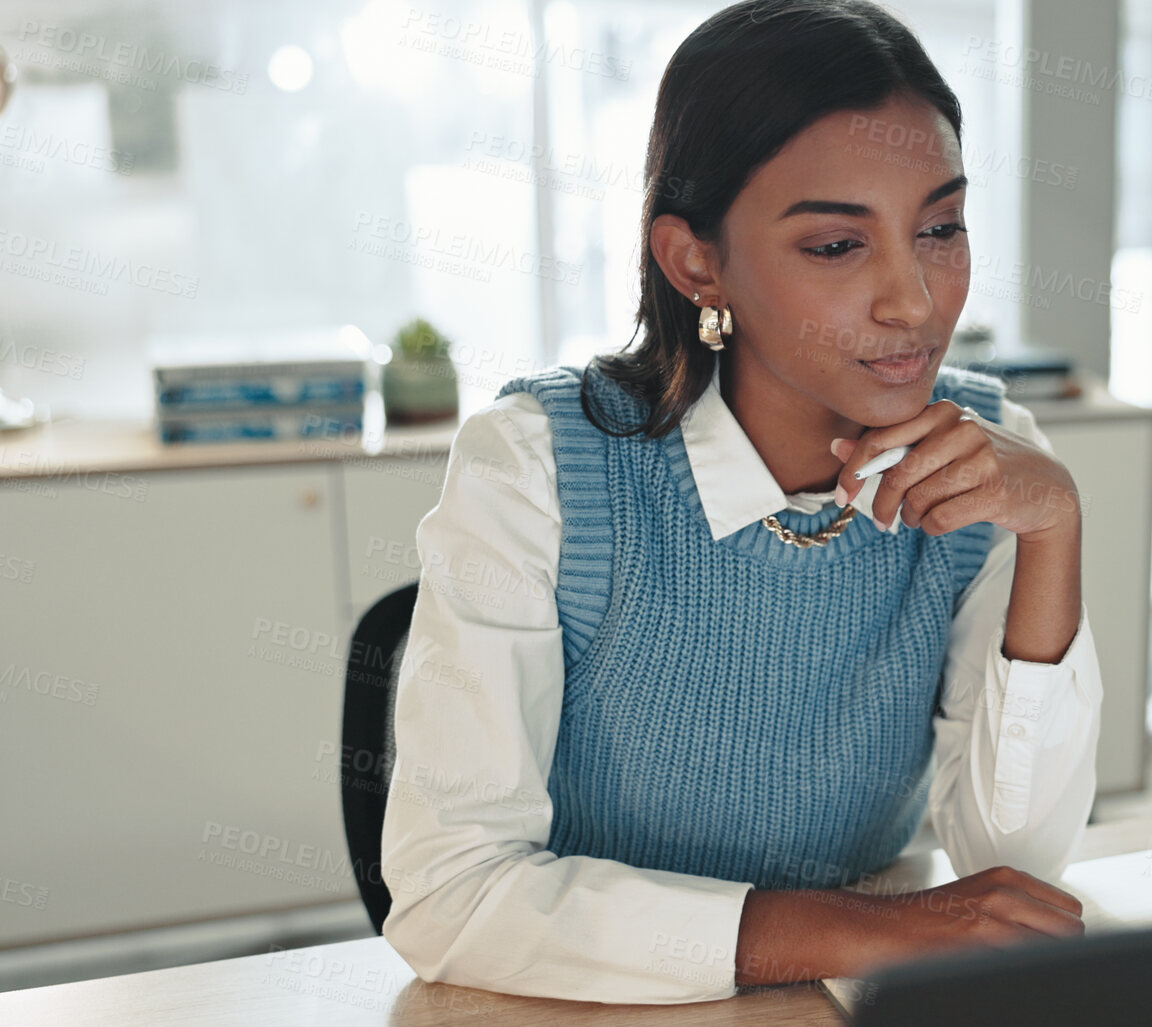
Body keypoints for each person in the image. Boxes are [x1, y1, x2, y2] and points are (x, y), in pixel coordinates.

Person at [379, 0, 1104, 1004]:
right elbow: (448, 894)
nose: (917, 299)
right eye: (836, 247)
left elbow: (1011, 861)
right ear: (697, 261)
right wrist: (868, 930)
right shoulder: (538, 466)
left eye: (939, 228)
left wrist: (1052, 534)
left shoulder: (983, 462)